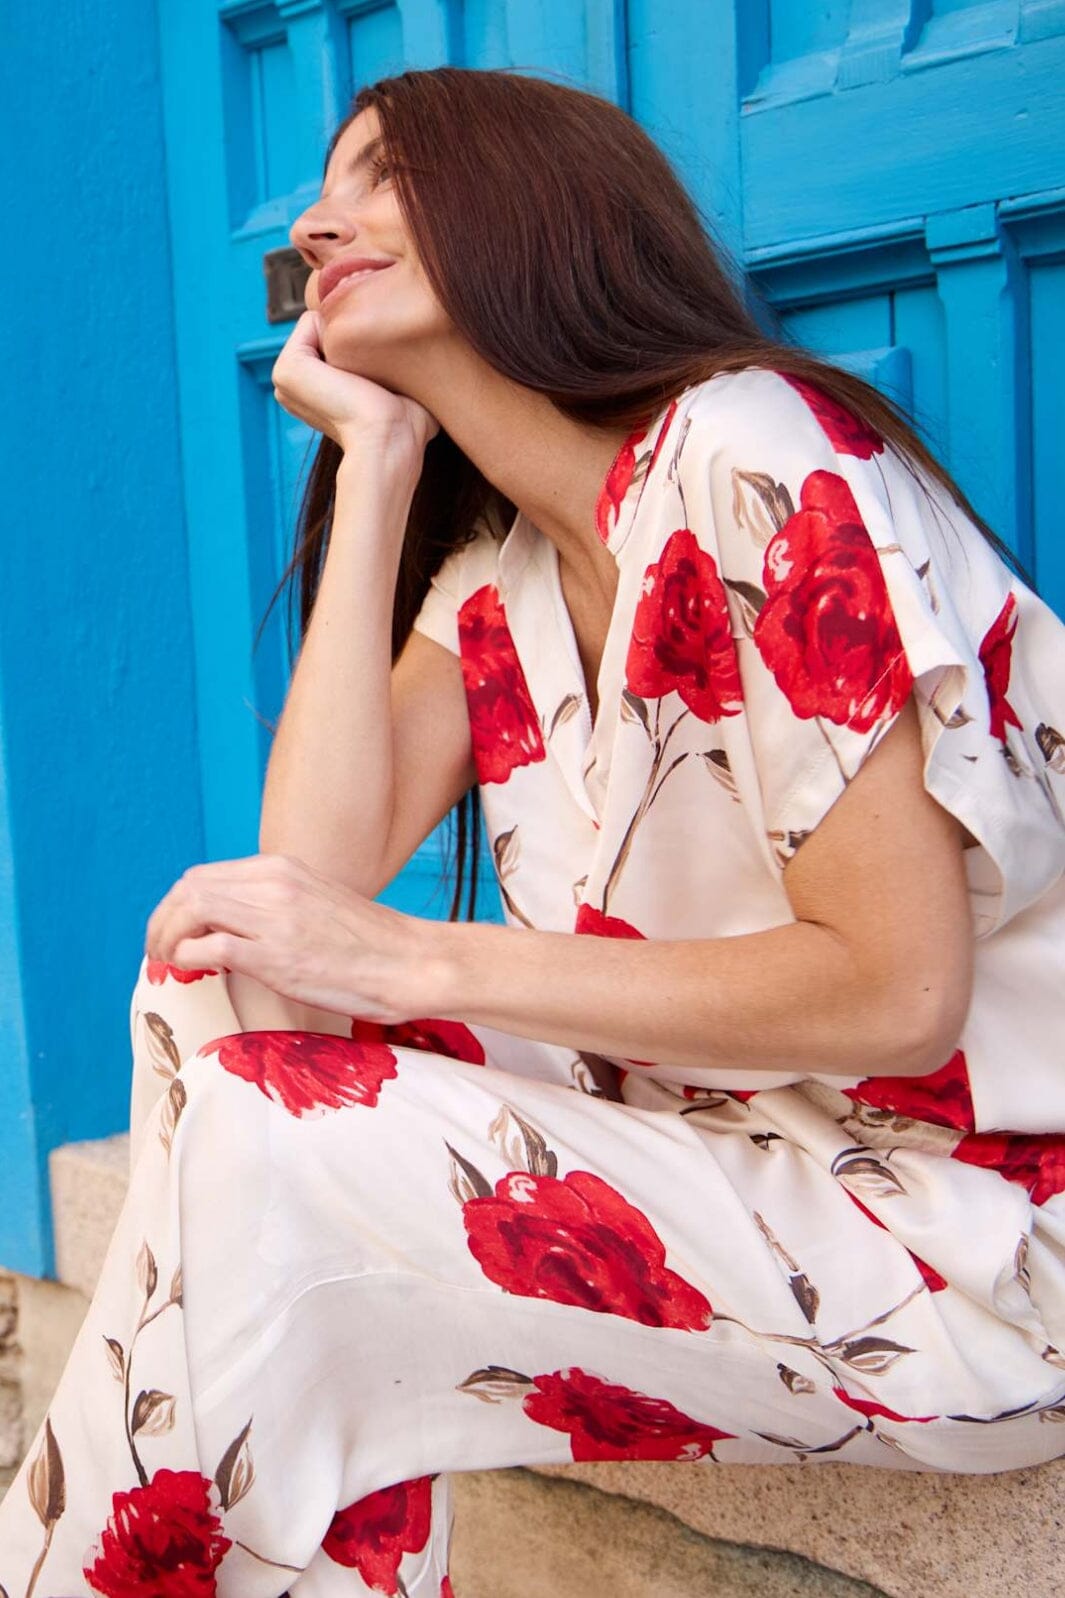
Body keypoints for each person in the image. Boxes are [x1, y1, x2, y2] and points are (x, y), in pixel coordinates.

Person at [2, 63, 1064, 1598]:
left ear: (530, 202)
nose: (313, 225)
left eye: (380, 175)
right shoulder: (498, 583)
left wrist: (421, 961)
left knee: (272, 1156)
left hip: (965, 1232)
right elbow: (304, 890)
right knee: (217, 973)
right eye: (321, 192)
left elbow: (897, 989)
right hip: (733, 1155)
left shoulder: (753, 452)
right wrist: (378, 464)